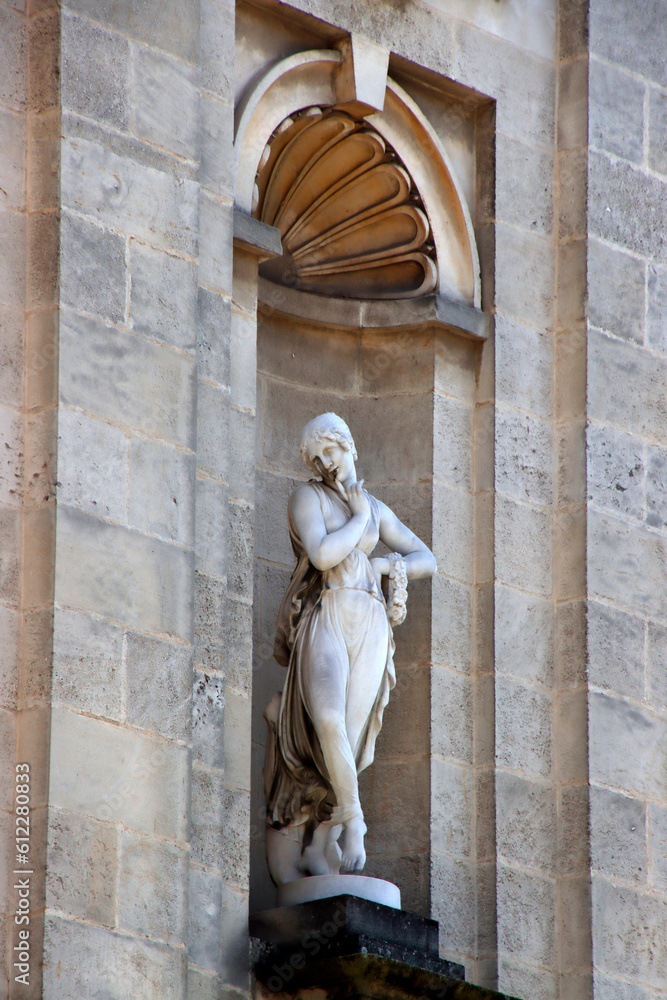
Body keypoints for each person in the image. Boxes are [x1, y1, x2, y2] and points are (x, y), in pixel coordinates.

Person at [263, 413, 436, 884]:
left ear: (349, 445)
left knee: (351, 739)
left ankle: (320, 844)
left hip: (372, 623)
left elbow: (428, 559)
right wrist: (359, 518)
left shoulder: (377, 508)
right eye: (316, 458)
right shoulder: (308, 497)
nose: (324, 463)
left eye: (331, 452)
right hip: (329, 615)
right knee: (327, 722)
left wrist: (382, 566)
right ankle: (354, 820)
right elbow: (321, 555)